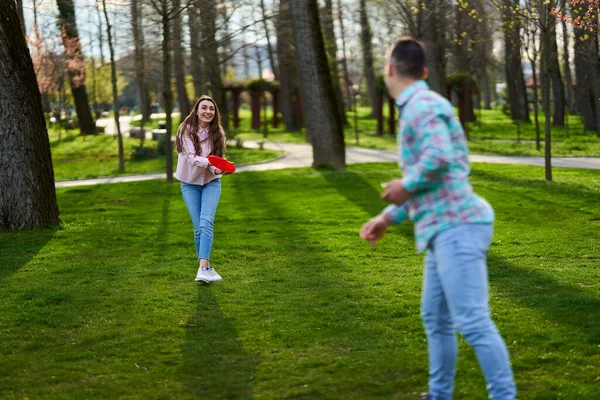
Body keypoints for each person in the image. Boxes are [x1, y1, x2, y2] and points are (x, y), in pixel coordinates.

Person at [360, 38, 517, 400]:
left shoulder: (422, 105)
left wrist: (405, 184)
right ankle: (438, 394)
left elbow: (438, 158)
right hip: (441, 229)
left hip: (457, 227)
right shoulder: (422, 104)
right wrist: (387, 217)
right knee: (435, 318)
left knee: (473, 322)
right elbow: (431, 184)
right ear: (426, 72)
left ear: (390, 68)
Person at [176, 95, 229, 283]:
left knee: (207, 222)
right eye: (204, 108)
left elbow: (214, 167)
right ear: (196, 110)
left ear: (215, 113)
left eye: (212, 109)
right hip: (189, 184)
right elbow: (192, 159)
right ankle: (205, 269)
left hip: (211, 183)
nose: (208, 111)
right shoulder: (186, 130)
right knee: (199, 228)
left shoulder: (218, 133)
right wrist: (212, 162)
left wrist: (220, 168)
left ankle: (203, 268)